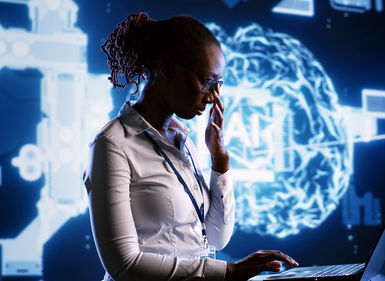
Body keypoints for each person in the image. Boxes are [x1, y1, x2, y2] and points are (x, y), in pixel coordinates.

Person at [83, 12, 298, 281]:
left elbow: (217, 238)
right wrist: (228, 272)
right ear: (168, 68)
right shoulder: (113, 144)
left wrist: (219, 161)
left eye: (218, 85)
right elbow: (123, 265)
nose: (213, 97)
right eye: (207, 82)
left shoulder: (184, 143)